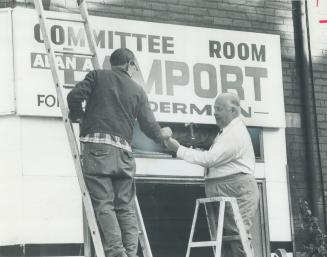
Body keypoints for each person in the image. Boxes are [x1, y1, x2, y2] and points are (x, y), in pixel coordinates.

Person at [67, 48, 172, 257]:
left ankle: (117, 252)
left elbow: (74, 95)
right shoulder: (138, 90)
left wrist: (78, 115)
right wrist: (163, 137)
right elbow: (149, 126)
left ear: (112, 63)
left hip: (97, 151)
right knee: (125, 206)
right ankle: (131, 253)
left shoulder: (97, 75)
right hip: (124, 154)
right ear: (130, 64)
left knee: (104, 204)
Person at [165, 92, 259, 257]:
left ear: (234, 111)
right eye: (214, 108)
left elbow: (210, 159)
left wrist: (178, 149)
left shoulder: (234, 133)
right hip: (227, 189)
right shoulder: (226, 132)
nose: (215, 113)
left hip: (236, 188)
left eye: (219, 109)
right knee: (227, 240)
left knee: (238, 238)